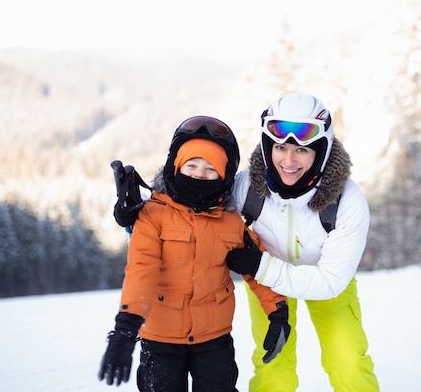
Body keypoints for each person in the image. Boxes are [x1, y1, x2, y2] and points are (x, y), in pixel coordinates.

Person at [98, 116, 291, 392]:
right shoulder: (153, 216)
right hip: (160, 339)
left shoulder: (231, 222)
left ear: (224, 175)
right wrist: (126, 328)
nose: (200, 173)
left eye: (210, 168)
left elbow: (256, 268)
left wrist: (278, 312)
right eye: (192, 165)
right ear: (176, 166)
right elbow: (142, 271)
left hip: (214, 340)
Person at [225, 93, 380, 392]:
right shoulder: (247, 188)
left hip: (324, 279)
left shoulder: (346, 200)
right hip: (268, 287)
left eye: (302, 150)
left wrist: (260, 266)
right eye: (280, 148)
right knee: (273, 364)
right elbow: (194, 209)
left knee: (347, 360)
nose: (289, 161)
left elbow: (331, 281)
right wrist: (140, 213)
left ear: (321, 151)